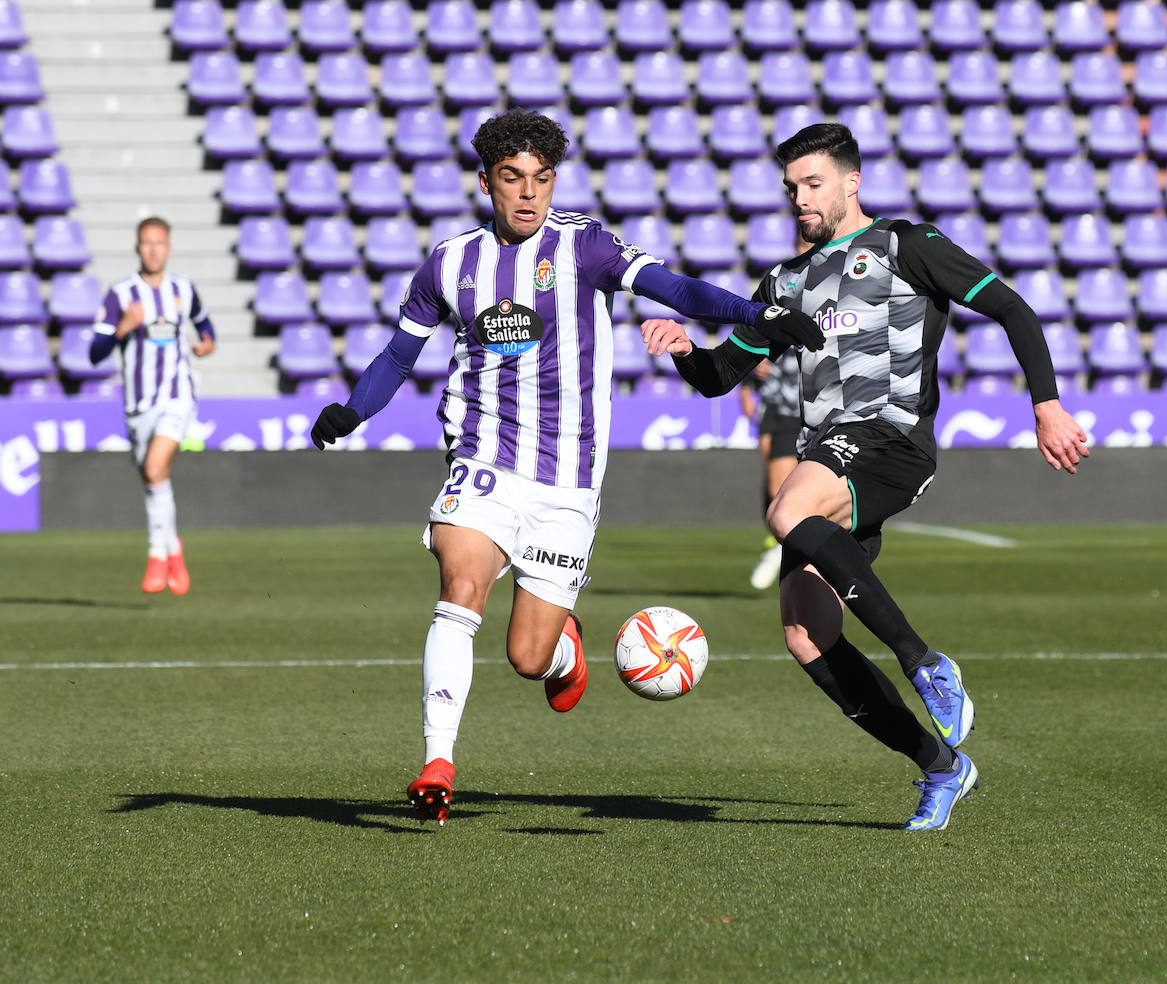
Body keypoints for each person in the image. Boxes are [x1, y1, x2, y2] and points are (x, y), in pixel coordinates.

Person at [308, 110, 822, 825]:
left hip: (566, 480)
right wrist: (354, 410)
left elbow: (674, 288)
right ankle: (437, 761)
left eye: (542, 180)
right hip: (482, 457)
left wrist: (757, 314)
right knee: (460, 584)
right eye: (513, 179)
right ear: (486, 181)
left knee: (528, 656)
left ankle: (563, 651)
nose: (529, 195)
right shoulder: (449, 264)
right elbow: (401, 354)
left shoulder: (586, 247)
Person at [643, 123, 1089, 832]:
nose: (800, 199)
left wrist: (1047, 405)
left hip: (892, 438)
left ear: (851, 182)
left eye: (812, 183)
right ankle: (942, 768)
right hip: (832, 458)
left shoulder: (907, 246)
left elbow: (1012, 307)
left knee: (787, 511)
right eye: (791, 188)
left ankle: (925, 662)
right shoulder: (783, 284)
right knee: (806, 637)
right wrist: (682, 349)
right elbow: (722, 376)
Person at [89, 216, 216, 595]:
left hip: (177, 395)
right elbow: (95, 353)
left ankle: (156, 555)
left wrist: (205, 344)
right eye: (147, 243)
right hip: (138, 404)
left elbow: (205, 327)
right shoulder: (121, 295)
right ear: (138, 247)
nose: (154, 250)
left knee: (156, 466)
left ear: (169, 247)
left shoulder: (183, 289)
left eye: (159, 243)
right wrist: (123, 328)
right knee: (152, 478)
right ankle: (173, 548)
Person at [742, 348, 801, 590]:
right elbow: (750, 350)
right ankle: (786, 541)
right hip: (771, 407)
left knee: (781, 487)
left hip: (795, 409)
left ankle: (784, 547)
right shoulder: (770, 317)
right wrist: (748, 383)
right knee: (772, 485)